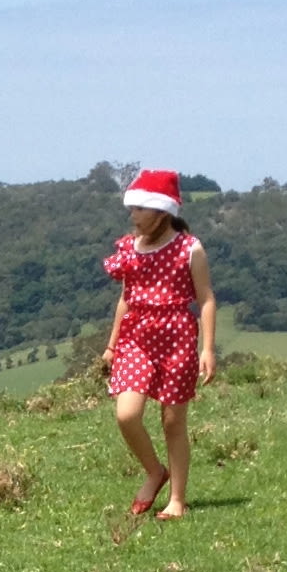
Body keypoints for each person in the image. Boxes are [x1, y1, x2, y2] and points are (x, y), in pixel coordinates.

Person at [101, 168, 217, 519]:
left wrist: (207, 349)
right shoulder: (128, 248)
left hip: (177, 336)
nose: (132, 215)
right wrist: (112, 344)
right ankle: (155, 471)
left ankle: (177, 499)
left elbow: (206, 299)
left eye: (140, 208)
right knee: (127, 414)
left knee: (173, 421)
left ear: (162, 212)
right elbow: (126, 298)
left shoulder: (189, 249)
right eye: (131, 207)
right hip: (136, 337)